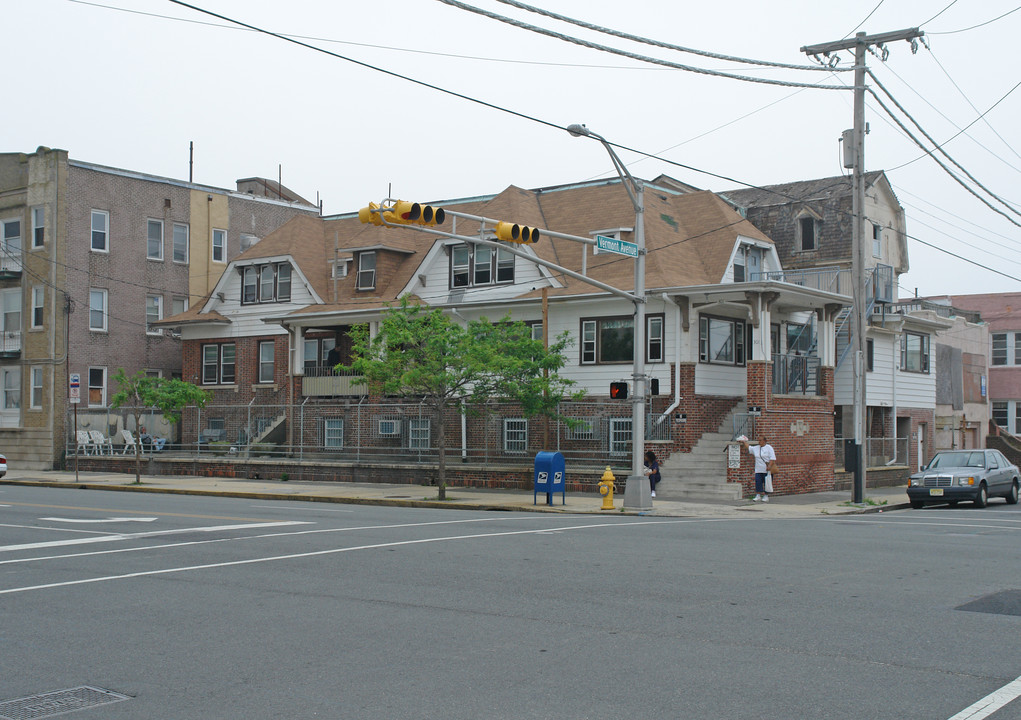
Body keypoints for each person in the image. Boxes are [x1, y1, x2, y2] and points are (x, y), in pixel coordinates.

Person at [739, 433, 777, 502]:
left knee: (767, 483)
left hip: (766, 469)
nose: (759, 442)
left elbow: (772, 458)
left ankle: (766, 496)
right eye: (758, 440)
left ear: (765, 441)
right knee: (758, 481)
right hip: (758, 469)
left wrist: (769, 466)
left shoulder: (769, 448)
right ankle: (758, 495)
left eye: (760, 440)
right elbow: (749, 448)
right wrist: (744, 442)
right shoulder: (756, 448)